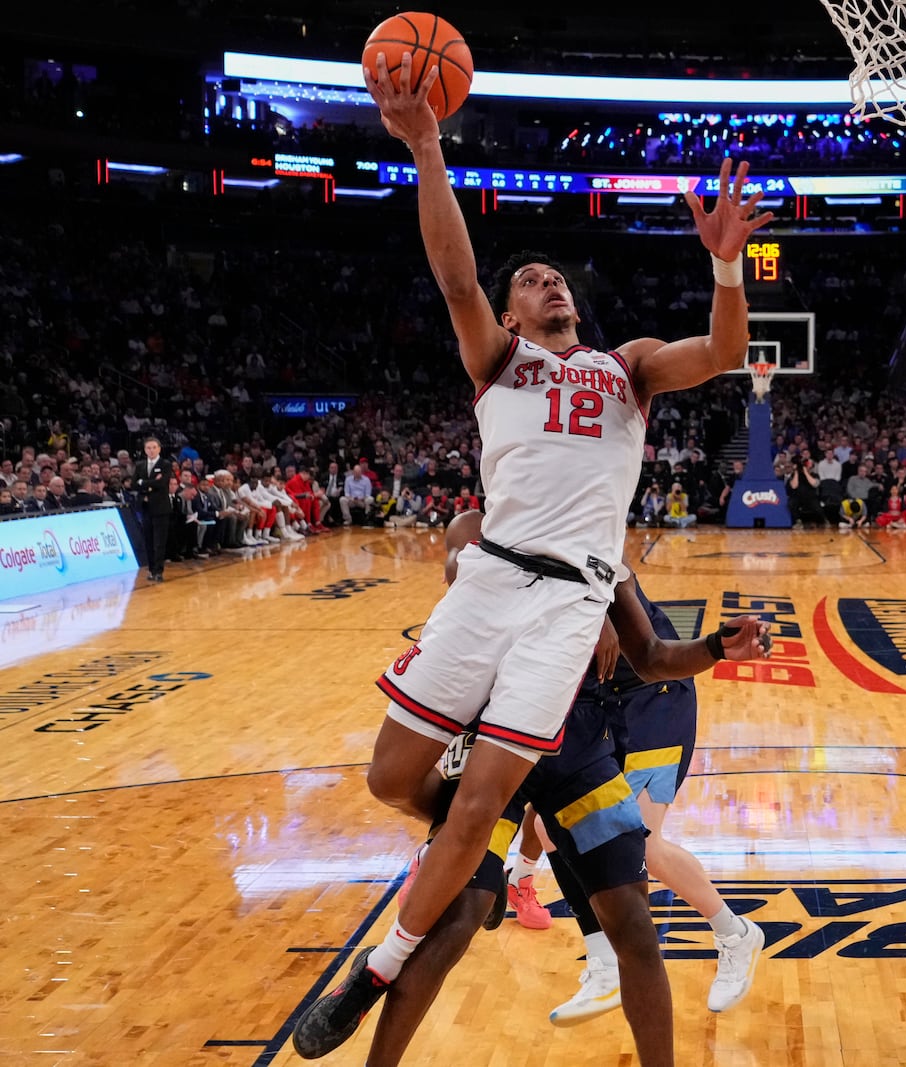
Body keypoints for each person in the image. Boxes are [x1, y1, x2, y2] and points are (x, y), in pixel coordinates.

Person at [294, 53, 775, 1053]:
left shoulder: (628, 366)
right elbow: (452, 271)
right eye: (528, 281)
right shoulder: (497, 361)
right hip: (490, 575)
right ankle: (482, 851)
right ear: (512, 316)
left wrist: (725, 264)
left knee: (477, 799)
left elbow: (723, 353)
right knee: (393, 773)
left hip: (568, 601)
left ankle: (378, 967)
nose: (544, 282)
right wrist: (426, 145)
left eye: (555, 277)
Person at [299, 510, 771, 1065]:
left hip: (578, 749)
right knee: (456, 921)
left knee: (636, 923)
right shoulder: (477, 529)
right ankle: (436, 902)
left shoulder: (602, 551)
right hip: (498, 749)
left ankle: (502, 885)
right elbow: (466, 583)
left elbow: (653, 658)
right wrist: (568, 601)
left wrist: (716, 647)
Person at [526, 569, 768, 1027]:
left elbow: (636, 643)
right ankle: (602, 964)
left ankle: (735, 934)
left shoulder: (591, 552)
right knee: (549, 827)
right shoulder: (506, 565)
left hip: (656, 695)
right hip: (605, 701)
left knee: (640, 844)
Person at [131, 435, 173, 582]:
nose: (151, 450)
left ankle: (159, 571)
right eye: (148, 448)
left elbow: (162, 484)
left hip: (161, 508)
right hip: (145, 507)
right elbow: (134, 484)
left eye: (154, 447)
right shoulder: (140, 465)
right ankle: (151, 569)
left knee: (159, 542)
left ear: (159, 449)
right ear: (144, 450)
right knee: (148, 540)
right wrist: (150, 483)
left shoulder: (166, 464)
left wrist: (144, 483)